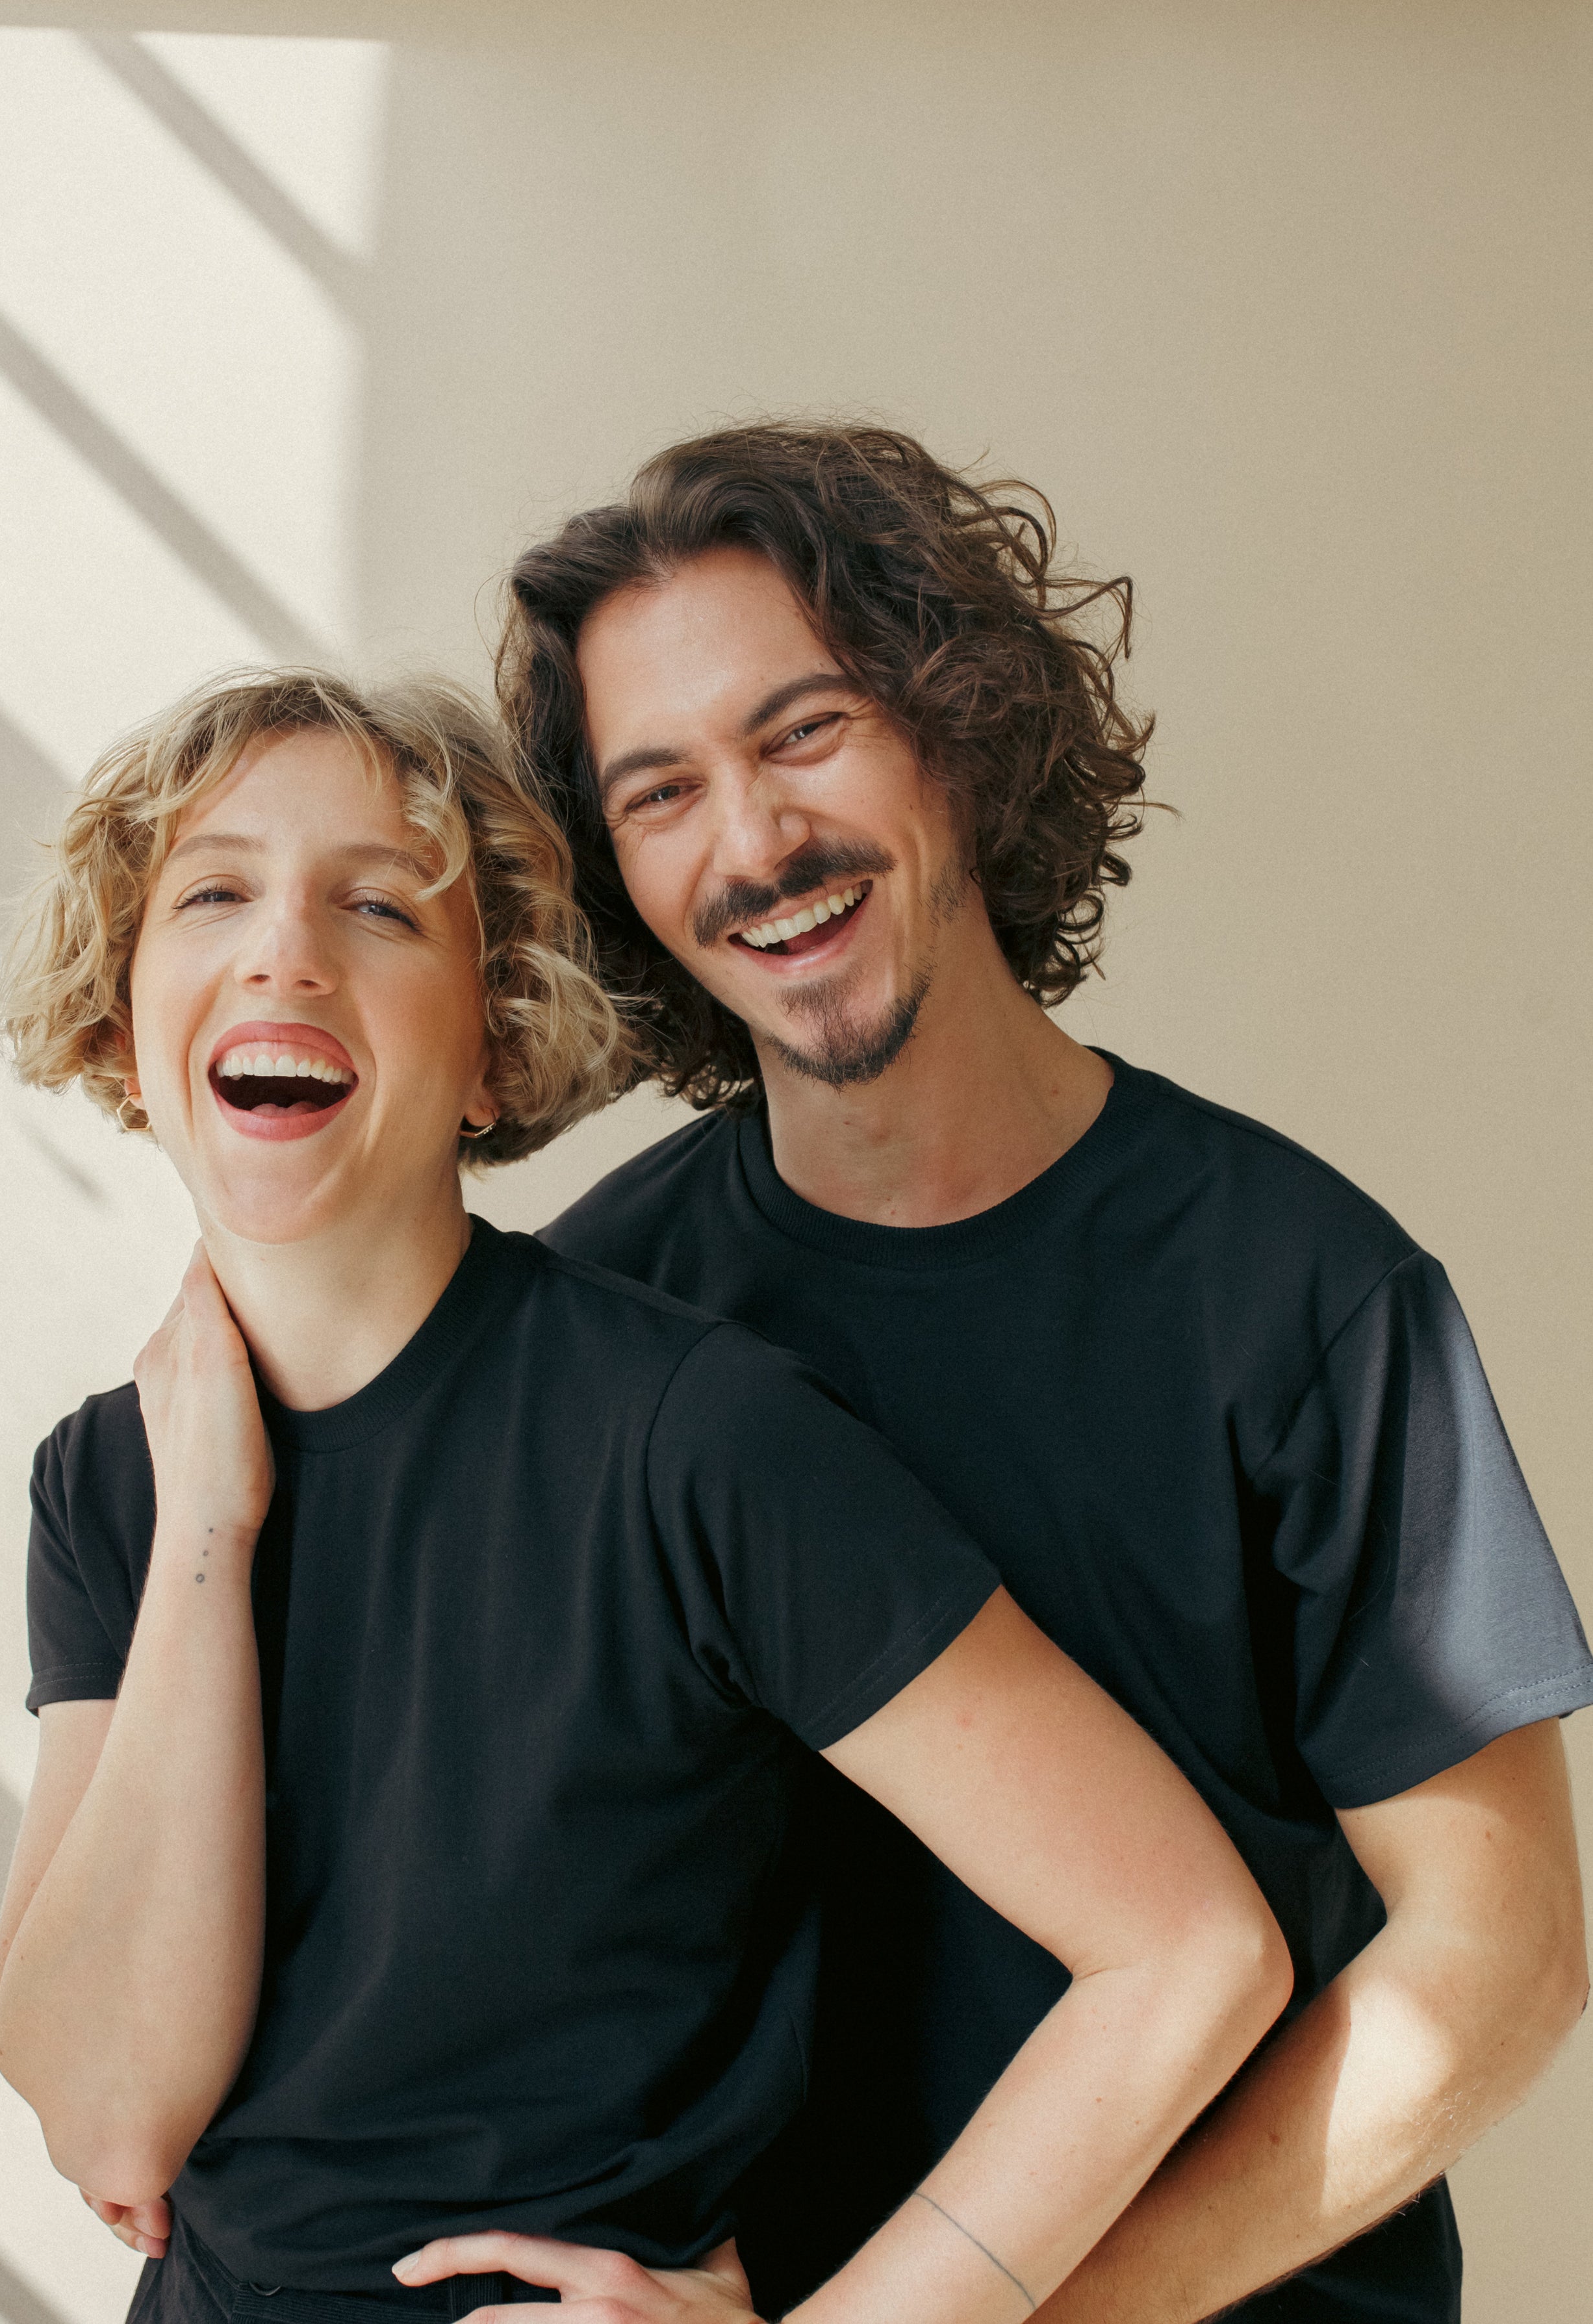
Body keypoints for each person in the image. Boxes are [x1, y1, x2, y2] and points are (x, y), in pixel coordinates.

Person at [0, 668, 1290, 2324]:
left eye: (380, 905)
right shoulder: (109, 1481)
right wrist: (205, 1532)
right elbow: (108, 2115)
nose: (284, 952)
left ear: (496, 1043)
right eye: (214, 893)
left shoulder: (694, 1440)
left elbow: (1187, 1948)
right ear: (121, 1028)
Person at [495, 424, 1593, 2324]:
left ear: (957, 724)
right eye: (659, 791)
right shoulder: (594, 1319)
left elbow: (1496, 1960)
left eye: (804, 731)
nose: (751, 844)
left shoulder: (1299, 1292)